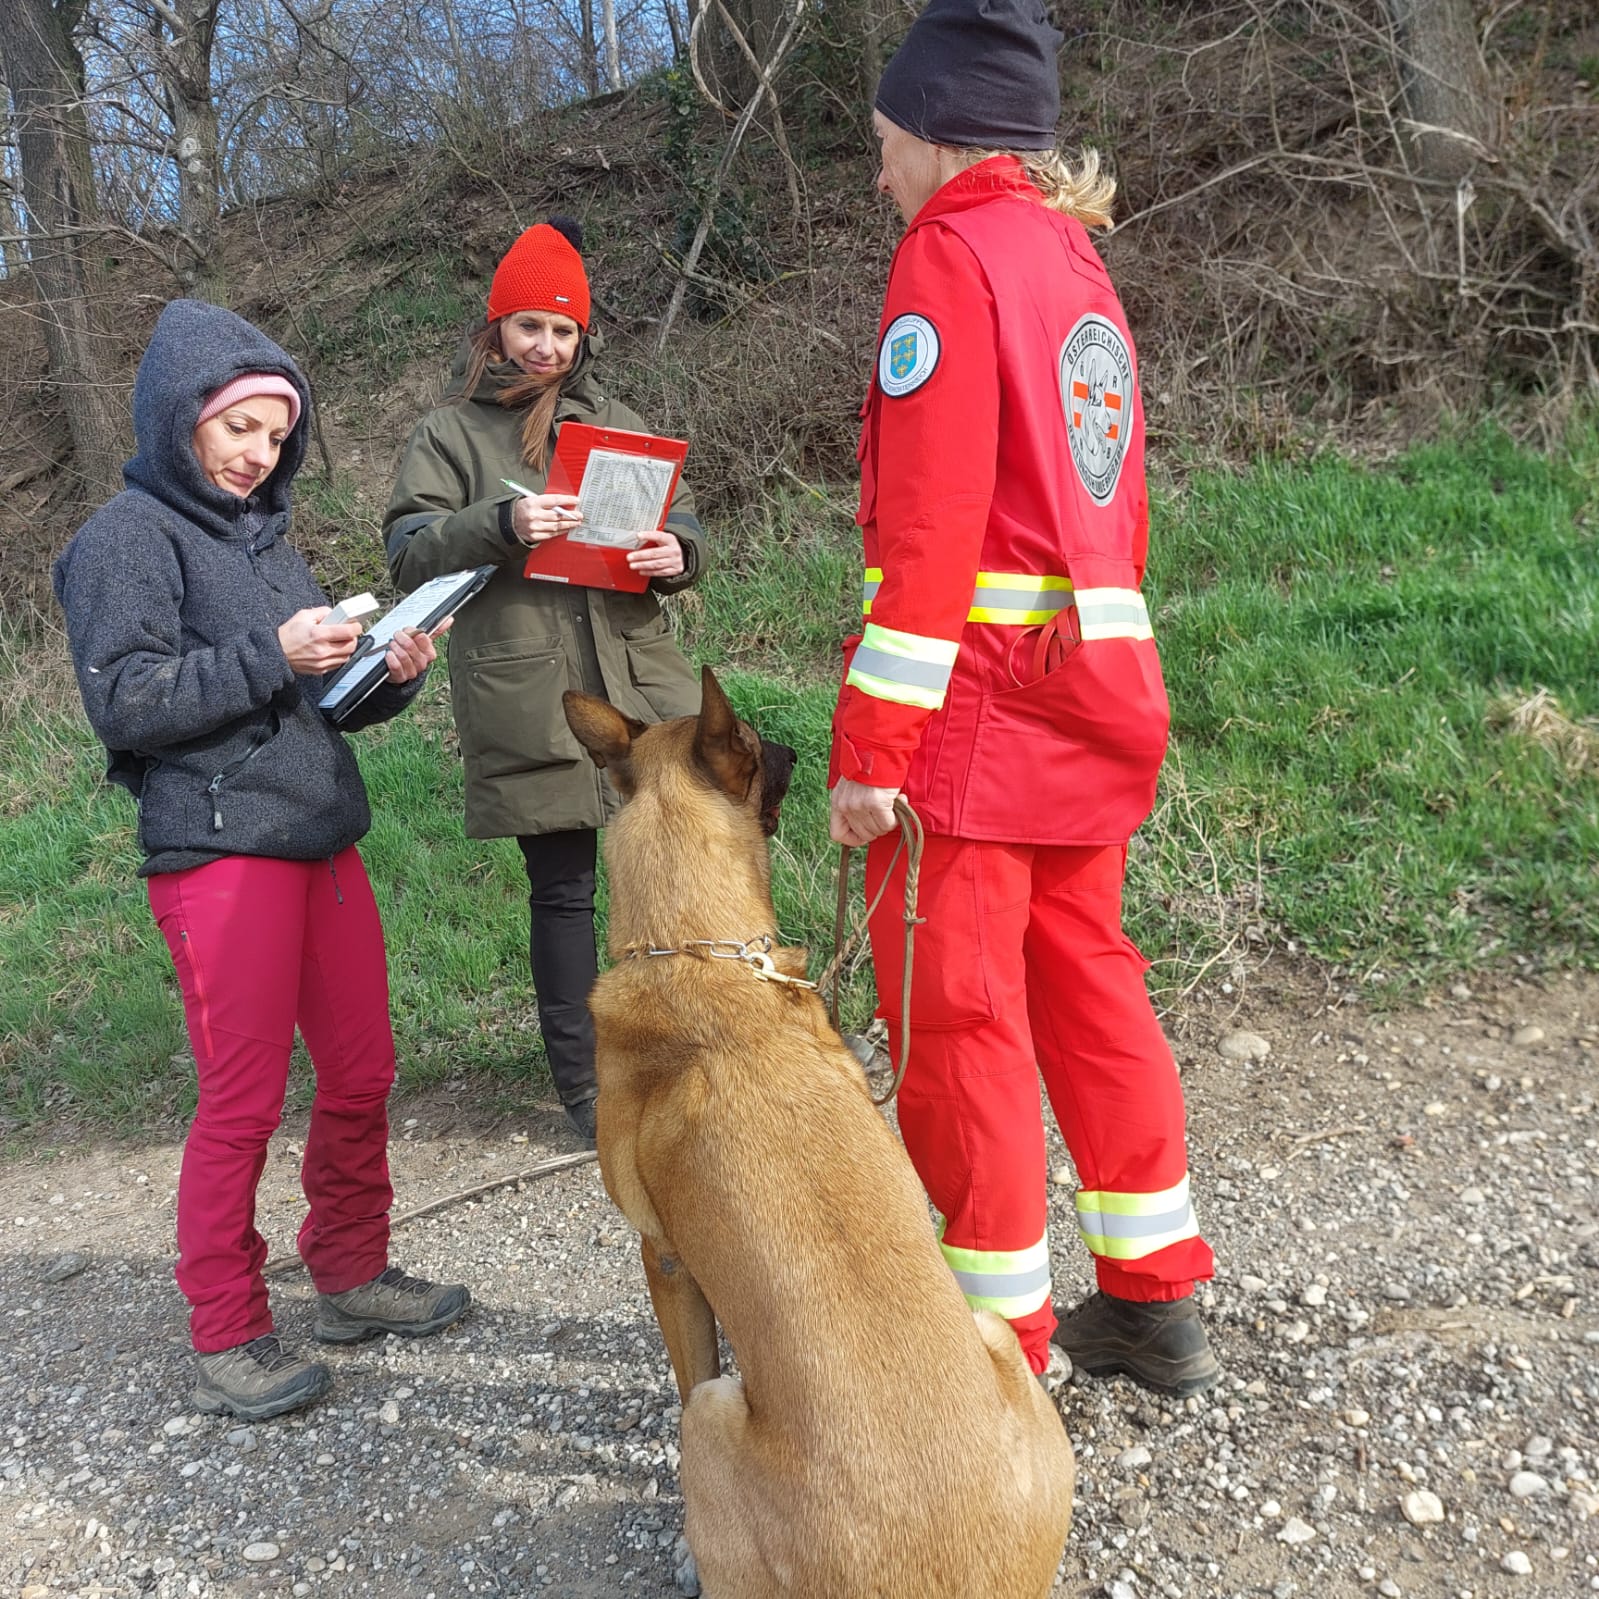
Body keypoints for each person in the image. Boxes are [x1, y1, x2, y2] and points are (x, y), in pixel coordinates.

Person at [827, 0, 1219, 1397]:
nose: (879, 170)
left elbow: (931, 531)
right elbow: (1115, 501)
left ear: (941, 134)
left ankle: (994, 1350)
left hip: (976, 719)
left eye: (885, 141)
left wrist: (871, 748)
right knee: (1092, 988)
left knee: (962, 1024)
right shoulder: (1072, 257)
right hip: (1093, 688)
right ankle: (1153, 1300)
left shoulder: (949, 255)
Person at [53, 299, 471, 1423]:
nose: (258, 453)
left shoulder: (267, 541)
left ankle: (351, 1273)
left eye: (277, 435)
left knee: (364, 1071)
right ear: (179, 413)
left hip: (320, 833)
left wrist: (386, 674)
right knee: (242, 1101)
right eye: (239, 426)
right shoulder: (124, 539)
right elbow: (125, 702)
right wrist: (272, 651)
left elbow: (313, 701)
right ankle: (227, 1328)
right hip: (217, 850)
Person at [383, 217, 707, 1147]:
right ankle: (587, 1090)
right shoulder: (447, 433)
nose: (547, 346)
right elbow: (407, 550)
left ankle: (686, 1050)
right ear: (496, 327)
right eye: (531, 325)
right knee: (563, 891)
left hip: (638, 683)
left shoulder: (618, 426)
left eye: (564, 330)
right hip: (529, 692)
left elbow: (685, 522)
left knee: (674, 871)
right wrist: (500, 523)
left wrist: (676, 551)